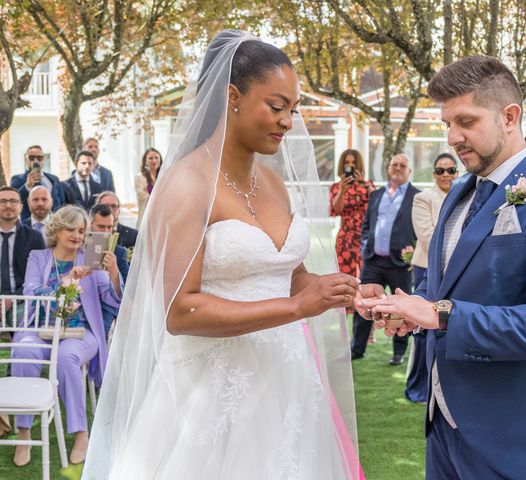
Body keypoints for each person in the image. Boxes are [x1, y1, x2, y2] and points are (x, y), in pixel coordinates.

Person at [82, 30, 362, 479]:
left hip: (287, 380)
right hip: (211, 394)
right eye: (276, 106)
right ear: (232, 96)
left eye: (293, 109)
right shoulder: (185, 185)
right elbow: (180, 310)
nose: (288, 121)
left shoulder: (272, 182)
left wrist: (343, 291)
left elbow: (290, 275)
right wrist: (296, 307)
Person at [357, 55, 526, 479]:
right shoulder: (459, 193)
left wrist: (439, 315)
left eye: (466, 121)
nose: (453, 137)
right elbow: (449, 291)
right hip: (444, 430)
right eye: (447, 124)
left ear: (510, 116)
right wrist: (407, 309)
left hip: (515, 440)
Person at [11, 206, 122, 466]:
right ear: (57, 230)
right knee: (25, 351)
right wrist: (64, 283)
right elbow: (31, 292)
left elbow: (113, 300)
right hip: (41, 329)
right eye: (71, 229)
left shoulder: (90, 258)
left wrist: (113, 273)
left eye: (82, 231)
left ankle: (80, 433)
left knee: (66, 357)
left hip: (80, 332)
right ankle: (24, 431)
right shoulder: (38, 257)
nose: (77, 235)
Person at [351, 153, 419, 365]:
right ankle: (357, 348)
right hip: (373, 261)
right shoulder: (377, 194)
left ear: (409, 171)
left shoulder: (417, 196)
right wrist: (365, 247)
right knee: (363, 304)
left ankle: (398, 352)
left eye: (402, 165)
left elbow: (423, 232)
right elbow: (367, 226)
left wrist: (414, 257)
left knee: (401, 308)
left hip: (401, 264)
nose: (397, 168)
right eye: (394, 164)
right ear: (388, 168)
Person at [405, 152, 458, 402]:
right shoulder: (423, 198)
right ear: (434, 174)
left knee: (449, 324)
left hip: (458, 271)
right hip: (428, 269)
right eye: (440, 171)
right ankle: (420, 386)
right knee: (425, 327)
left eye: (450, 170)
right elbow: (427, 236)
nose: (446, 175)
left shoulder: (467, 195)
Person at [329, 149, 376, 280]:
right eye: (347, 162)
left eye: (354, 162)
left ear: (359, 164)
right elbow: (337, 210)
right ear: (342, 165)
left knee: (368, 279)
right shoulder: (336, 187)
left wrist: (366, 186)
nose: (350, 165)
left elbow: (377, 206)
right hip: (346, 238)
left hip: (366, 238)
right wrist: (342, 191)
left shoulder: (368, 185)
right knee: (345, 279)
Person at [89, 204, 129, 339]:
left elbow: (125, 292)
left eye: (109, 227)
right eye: (101, 227)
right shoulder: (79, 247)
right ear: (90, 225)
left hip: (106, 309)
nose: (106, 232)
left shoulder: (119, 252)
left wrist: (114, 271)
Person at [0, 187, 45, 297]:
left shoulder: (34, 237)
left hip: (22, 299)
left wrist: (13, 299)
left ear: (21, 207)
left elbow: (40, 275)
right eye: (2, 201)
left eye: (13, 201)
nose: (8, 206)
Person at [11, 145, 64, 221]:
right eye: (32, 158)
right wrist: (27, 186)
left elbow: (62, 201)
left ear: (43, 160)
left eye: (39, 158)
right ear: (26, 160)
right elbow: (14, 201)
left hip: (55, 223)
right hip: (30, 224)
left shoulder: (54, 179)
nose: (36, 161)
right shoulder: (18, 179)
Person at [134, 148, 163, 229]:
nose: (154, 160)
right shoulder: (140, 177)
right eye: (150, 158)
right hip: (147, 216)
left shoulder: (164, 176)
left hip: (161, 216)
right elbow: (141, 195)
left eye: (156, 157)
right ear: (145, 160)